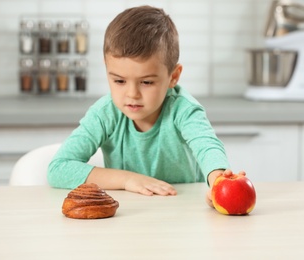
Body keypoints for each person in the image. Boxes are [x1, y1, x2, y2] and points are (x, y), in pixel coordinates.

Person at [48, 5, 231, 207]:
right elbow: (58, 169)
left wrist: (218, 181)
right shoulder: (104, 114)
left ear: (173, 77)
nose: (132, 94)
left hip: (181, 213)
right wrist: (128, 180)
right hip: (125, 217)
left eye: (146, 82)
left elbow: (207, 147)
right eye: (119, 81)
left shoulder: (183, 110)